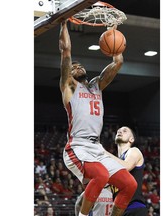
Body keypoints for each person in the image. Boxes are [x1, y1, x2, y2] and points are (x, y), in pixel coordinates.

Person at [59, 19, 137, 216]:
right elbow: (66, 52)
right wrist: (63, 24)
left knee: (129, 184)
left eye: (79, 65)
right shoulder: (69, 87)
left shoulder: (96, 85)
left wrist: (113, 32)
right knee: (101, 175)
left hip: (97, 147)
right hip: (77, 147)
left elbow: (117, 62)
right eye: (73, 67)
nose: (77, 67)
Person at [106, 126, 148, 216]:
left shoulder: (134, 151)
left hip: (134, 209)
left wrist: (103, 152)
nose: (120, 132)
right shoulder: (116, 161)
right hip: (119, 210)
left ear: (131, 139)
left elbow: (126, 166)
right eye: (118, 131)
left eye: (124, 131)